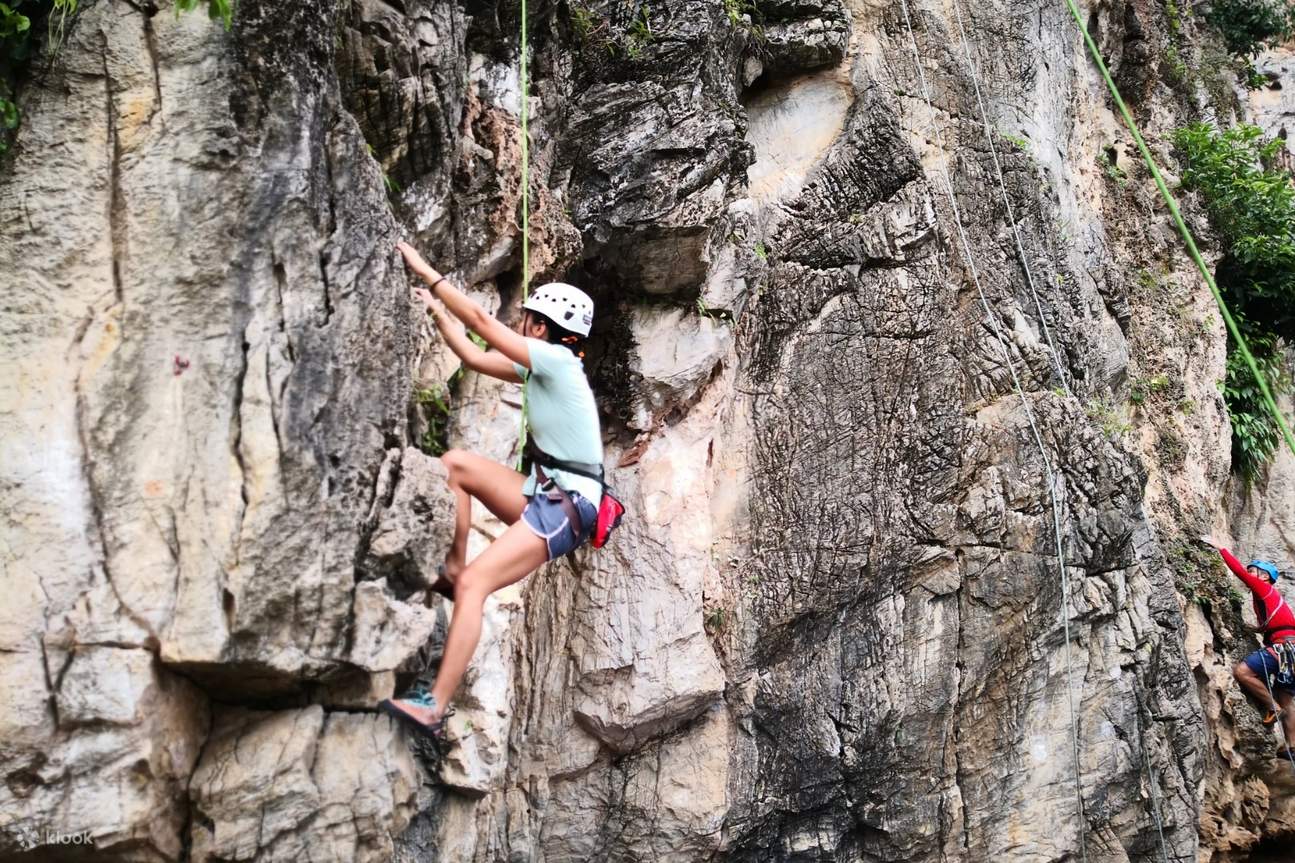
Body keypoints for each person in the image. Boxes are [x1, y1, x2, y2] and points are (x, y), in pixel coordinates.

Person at [378, 241, 604, 740]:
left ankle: (434, 706)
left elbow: (483, 326)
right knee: (456, 465)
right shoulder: (543, 366)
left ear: (540, 328)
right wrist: (439, 315)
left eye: (526, 319)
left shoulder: (556, 362)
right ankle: (454, 565)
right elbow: (473, 356)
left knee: (475, 589)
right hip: (550, 497)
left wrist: (426, 270)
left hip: (569, 505)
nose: (520, 325)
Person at [1199, 536, 1295, 756]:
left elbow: (1239, 572)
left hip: (1283, 649)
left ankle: (1273, 707)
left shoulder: (1263, 587)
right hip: (1290, 651)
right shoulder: (1271, 598)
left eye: (1254, 572)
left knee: (1243, 672)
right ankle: (1292, 748)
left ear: (1264, 577)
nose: (1249, 575)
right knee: (1287, 697)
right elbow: (1280, 624)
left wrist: (1221, 548)